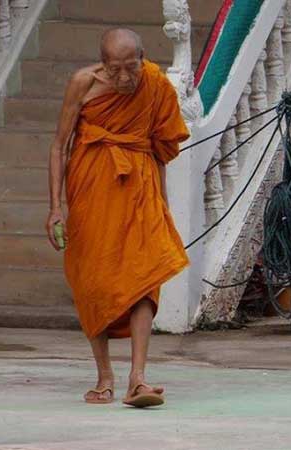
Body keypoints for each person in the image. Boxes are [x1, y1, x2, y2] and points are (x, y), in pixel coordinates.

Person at [45, 28, 190, 408]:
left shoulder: (156, 85)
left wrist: (163, 202)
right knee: (92, 280)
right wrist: (55, 206)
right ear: (102, 66)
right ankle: (104, 375)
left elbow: (160, 149)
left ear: (143, 59)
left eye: (132, 68)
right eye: (116, 70)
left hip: (140, 185)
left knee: (145, 275)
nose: (125, 78)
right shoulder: (83, 83)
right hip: (91, 186)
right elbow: (60, 147)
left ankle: (137, 378)